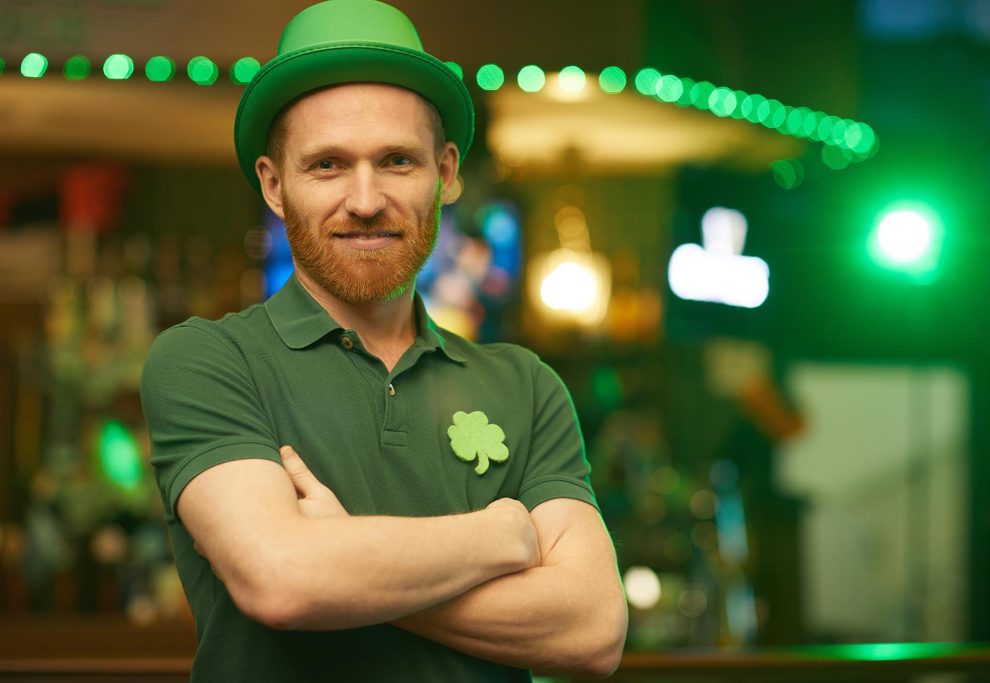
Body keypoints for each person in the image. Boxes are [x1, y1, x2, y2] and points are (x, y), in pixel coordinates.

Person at [140, 1, 627, 680]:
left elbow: (592, 628)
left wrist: (340, 560)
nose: (365, 199)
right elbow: (282, 580)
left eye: (397, 160)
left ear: (447, 172)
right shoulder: (206, 360)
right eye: (328, 165)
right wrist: (500, 534)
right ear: (275, 185)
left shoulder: (528, 385)